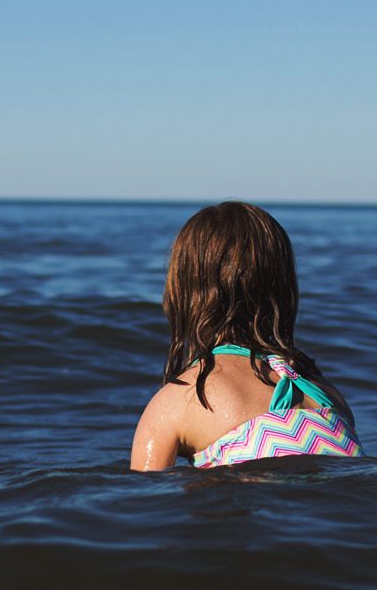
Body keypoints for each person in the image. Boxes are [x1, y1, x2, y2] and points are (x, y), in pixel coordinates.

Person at [129, 201, 363, 470]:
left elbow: (144, 493)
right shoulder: (328, 394)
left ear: (184, 291)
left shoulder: (181, 400)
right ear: (284, 288)